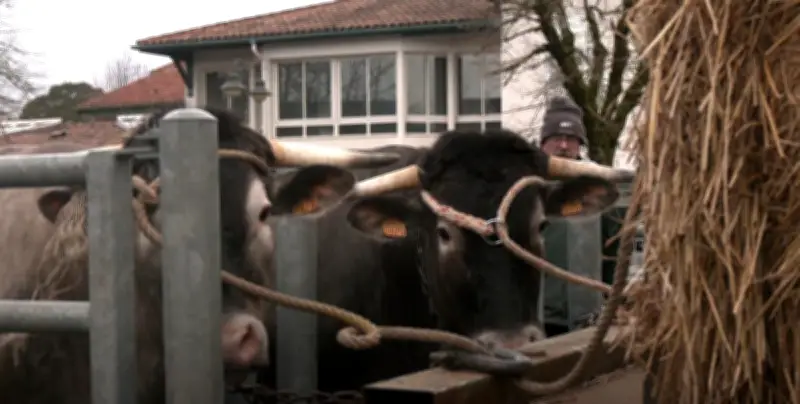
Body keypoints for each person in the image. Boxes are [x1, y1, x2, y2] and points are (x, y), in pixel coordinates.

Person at [538, 96, 589, 161]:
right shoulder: (525, 170)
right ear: (543, 144)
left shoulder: (594, 170)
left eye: (571, 139)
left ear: (579, 145)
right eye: (557, 139)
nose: (564, 146)